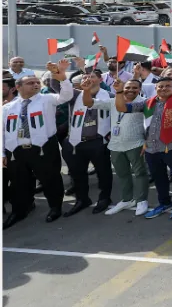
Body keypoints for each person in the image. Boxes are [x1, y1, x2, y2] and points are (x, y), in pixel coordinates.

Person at [2, 62, 73, 228]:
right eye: (30, 83)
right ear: (17, 87)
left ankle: (55, 207)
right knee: (19, 183)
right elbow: (2, 132)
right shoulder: (8, 108)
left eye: (37, 82)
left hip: (43, 148)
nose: (35, 84)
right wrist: (2, 154)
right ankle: (20, 211)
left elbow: (66, 96)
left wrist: (62, 78)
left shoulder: (47, 99)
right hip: (16, 151)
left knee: (50, 179)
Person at [119, 76, 172, 220]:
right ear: (155, 88)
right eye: (160, 86)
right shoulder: (148, 103)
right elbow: (123, 108)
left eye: (167, 86)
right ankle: (164, 203)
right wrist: (119, 92)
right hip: (151, 148)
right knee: (159, 178)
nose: (163, 88)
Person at [64, 72, 114, 215]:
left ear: (100, 79)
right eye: (85, 77)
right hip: (76, 141)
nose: (88, 79)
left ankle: (105, 198)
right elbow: (56, 85)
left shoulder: (109, 95)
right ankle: (82, 199)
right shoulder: (75, 95)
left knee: (103, 172)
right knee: (78, 173)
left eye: (92, 76)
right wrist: (59, 72)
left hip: (99, 141)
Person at [102, 78, 150, 217]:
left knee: (140, 173)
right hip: (116, 145)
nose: (131, 90)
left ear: (140, 89)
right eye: (128, 87)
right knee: (122, 174)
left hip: (136, 144)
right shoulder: (114, 101)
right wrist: (86, 90)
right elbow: (89, 103)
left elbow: (149, 122)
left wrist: (146, 141)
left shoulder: (143, 103)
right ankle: (127, 199)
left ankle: (141, 200)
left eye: (135, 88)